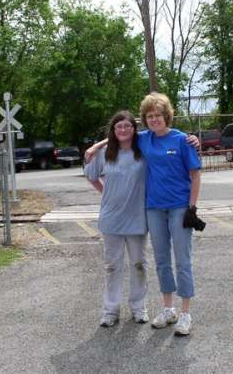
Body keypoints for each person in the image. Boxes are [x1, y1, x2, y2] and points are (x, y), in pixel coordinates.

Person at [86, 93, 201, 336]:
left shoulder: (165, 142)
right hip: (141, 212)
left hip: (165, 210)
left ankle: (173, 312)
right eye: (150, 116)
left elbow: (194, 173)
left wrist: (192, 206)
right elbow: (116, 139)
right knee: (141, 263)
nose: (154, 119)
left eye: (158, 115)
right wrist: (97, 145)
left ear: (166, 116)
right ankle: (147, 309)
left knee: (166, 261)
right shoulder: (136, 142)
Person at [84, 110, 149, 327]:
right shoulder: (104, 154)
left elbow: (161, 132)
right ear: (113, 130)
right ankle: (111, 310)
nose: (123, 130)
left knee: (139, 263)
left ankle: (139, 308)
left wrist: (193, 140)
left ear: (134, 129)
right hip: (111, 219)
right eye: (118, 126)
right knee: (112, 266)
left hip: (137, 217)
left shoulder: (144, 150)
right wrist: (107, 194)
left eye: (127, 126)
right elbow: (92, 177)